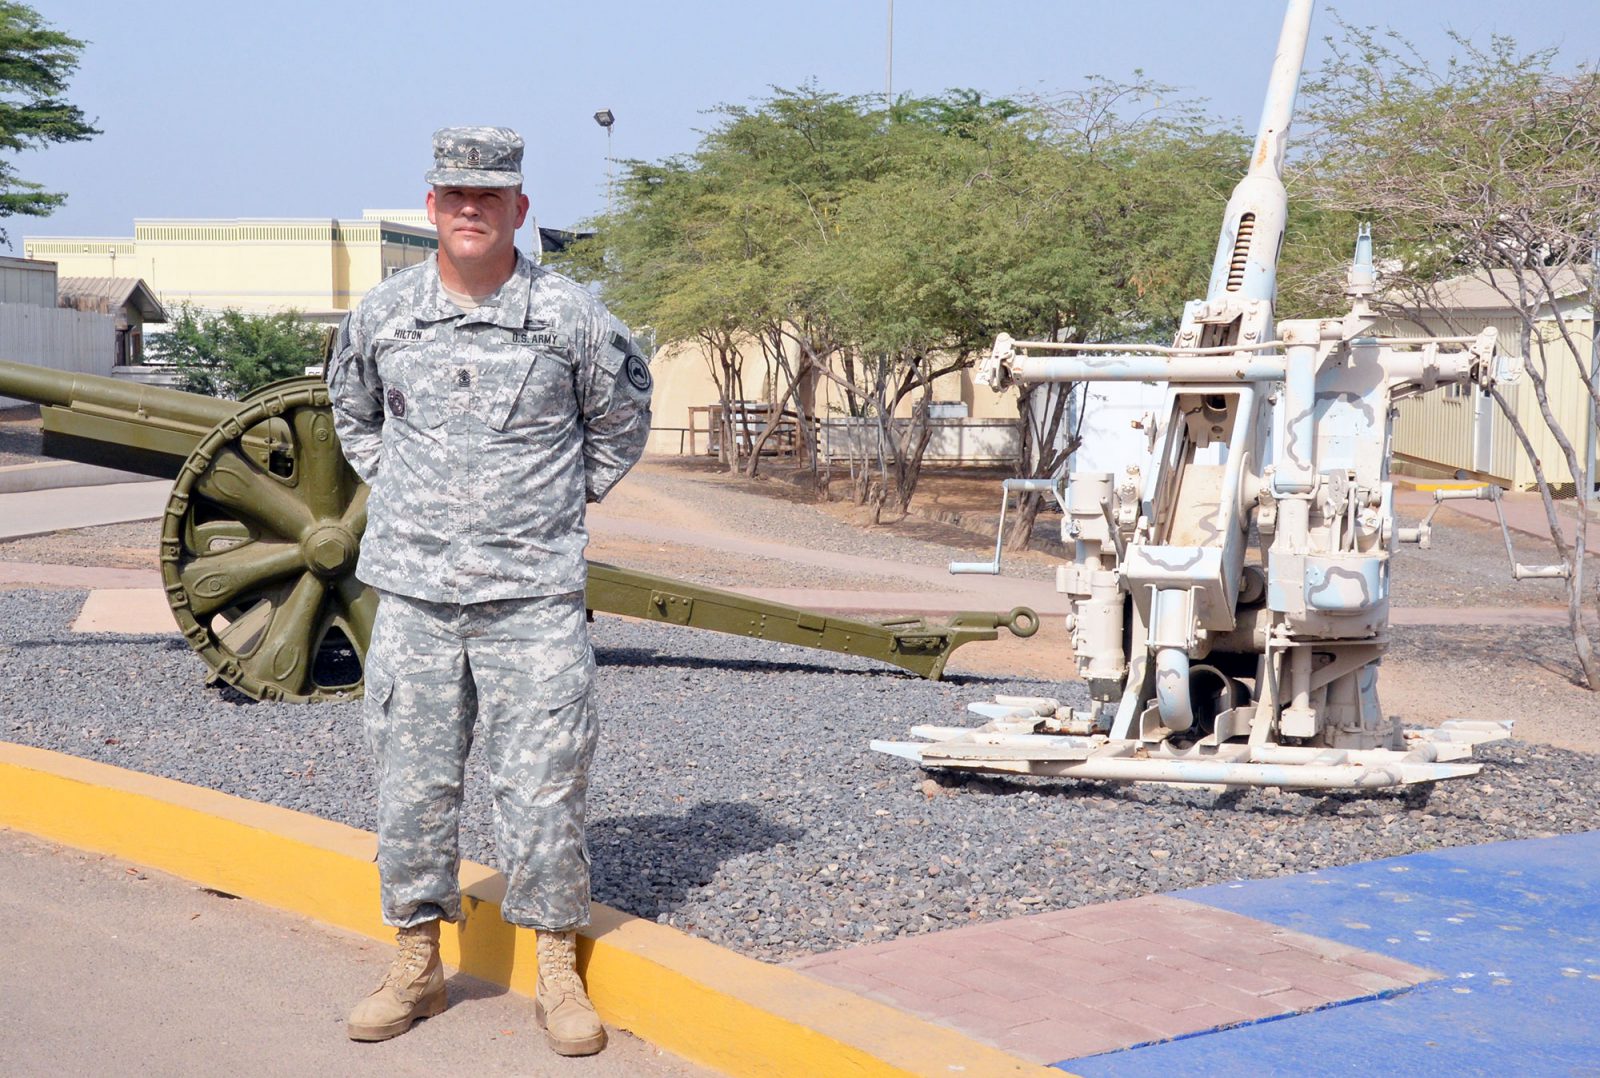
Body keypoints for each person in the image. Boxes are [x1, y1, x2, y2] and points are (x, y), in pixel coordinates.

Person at [327, 126, 652, 1057]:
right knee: (412, 784)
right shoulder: (383, 316)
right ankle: (417, 964)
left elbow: (622, 420)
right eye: (454, 196)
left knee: (545, 787)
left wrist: (553, 504)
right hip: (418, 600)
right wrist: (405, 494)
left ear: (519, 208)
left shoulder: (571, 318)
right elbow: (350, 412)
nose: (471, 210)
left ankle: (556, 971)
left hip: (533, 600)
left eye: (490, 196)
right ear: (432, 207)